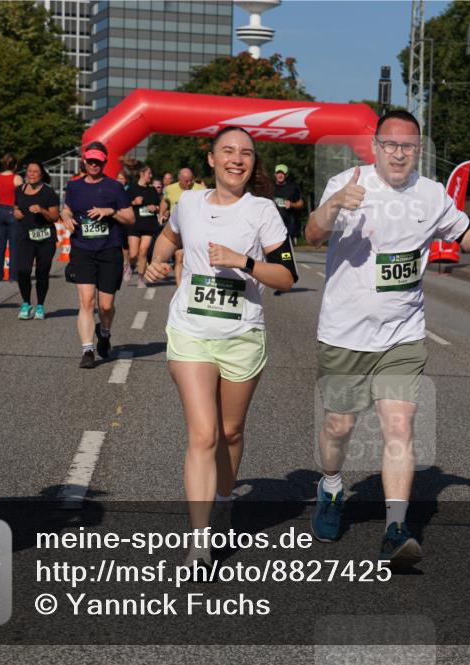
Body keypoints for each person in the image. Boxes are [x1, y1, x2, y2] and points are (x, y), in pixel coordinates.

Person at [304, 110, 470, 568]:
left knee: (399, 426)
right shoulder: (348, 182)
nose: (398, 153)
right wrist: (335, 206)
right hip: (345, 333)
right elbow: (311, 234)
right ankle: (331, 487)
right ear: (376, 146)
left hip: (403, 334)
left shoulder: (430, 194)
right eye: (390, 144)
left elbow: (461, 231)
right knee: (339, 427)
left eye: (408, 146)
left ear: (419, 149)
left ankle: (395, 528)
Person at [146, 126, 296, 565]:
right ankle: (199, 542)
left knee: (230, 432)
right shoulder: (189, 203)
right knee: (203, 433)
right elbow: (169, 237)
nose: (237, 159)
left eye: (246, 153)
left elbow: (287, 277)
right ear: (211, 159)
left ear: (253, 163)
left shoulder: (263, 211)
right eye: (227, 151)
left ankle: (225, 499)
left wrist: (243, 262)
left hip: (241, 337)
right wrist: (155, 262)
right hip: (190, 331)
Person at [59, 142, 134, 368]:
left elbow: (130, 218)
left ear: (104, 162)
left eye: (98, 162)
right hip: (82, 249)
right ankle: (87, 350)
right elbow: (67, 208)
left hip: (109, 250)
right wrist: (65, 215)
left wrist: (110, 211)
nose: (94, 165)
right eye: (90, 161)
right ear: (84, 161)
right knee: (87, 301)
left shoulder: (114, 187)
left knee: (106, 306)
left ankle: (105, 332)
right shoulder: (74, 186)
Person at [13, 161, 60, 319]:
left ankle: (40, 305)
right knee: (23, 270)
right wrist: (16, 213)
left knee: (42, 271)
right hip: (25, 236)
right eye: (29, 171)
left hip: (45, 238)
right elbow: (16, 207)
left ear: (41, 174)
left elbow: (54, 217)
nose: (32, 174)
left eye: (35, 171)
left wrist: (42, 210)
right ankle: (26, 303)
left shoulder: (49, 193)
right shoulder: (19, 190)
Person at [127, 164, 162, 288]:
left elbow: (159, 206)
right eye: (149, 174)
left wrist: (155, 208)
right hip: (134, 224)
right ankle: (130, 266)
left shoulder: (152, 190)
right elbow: (124, 206)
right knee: (133, 254)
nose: (151, 176)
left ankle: (141, 279)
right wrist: (134, 202)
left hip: (148, 224)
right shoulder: (131, 189)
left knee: (143, 251)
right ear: (142, 174)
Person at [0, 153, 22, 282]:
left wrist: (1, 199)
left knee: (0, 245)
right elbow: (21, 198)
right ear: (15, 165)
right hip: (12, 211)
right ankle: (13, 275)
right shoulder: (17, 178)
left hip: (0, 211)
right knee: (14, 245)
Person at [273, 163, 304, 244]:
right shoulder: (269, 187)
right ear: (275, 174)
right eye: (278, 173)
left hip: (288, 226)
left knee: (287, 250)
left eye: (282, 173)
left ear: (286, 175)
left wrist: (292, 204)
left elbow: (301, 203)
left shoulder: (293, 187)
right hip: (272, 226)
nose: (280, 175)